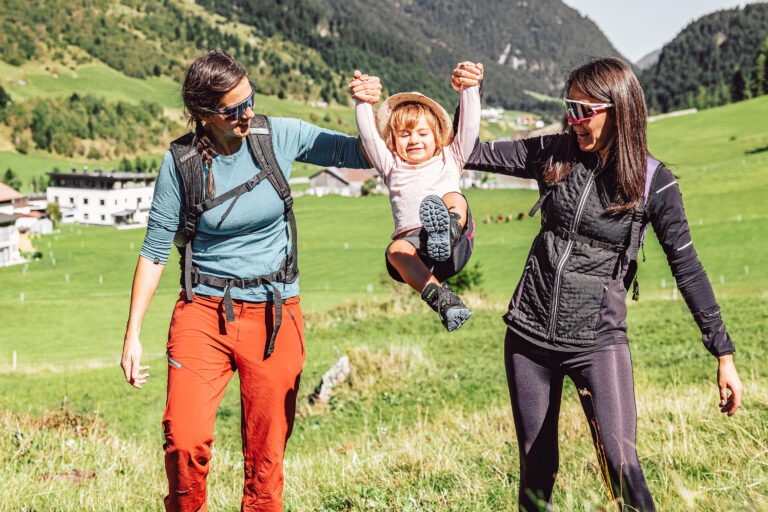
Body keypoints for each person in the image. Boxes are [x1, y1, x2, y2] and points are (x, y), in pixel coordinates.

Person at [452, 57, 743, 511]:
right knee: (536, 468)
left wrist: (722, 352)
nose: (575, 120)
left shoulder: (654, 183)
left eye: (585, 110)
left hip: (597, 342)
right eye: (570, 108)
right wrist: (470, 96)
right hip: (528, 336)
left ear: (619, 109)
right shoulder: (557, 153)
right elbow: (471, 152)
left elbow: (688, 268)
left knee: (621, 466)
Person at [120, 49, 381, 512]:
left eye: (251, 99)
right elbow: (155, 249)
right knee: (184, 442)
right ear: (204, 115)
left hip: (276, 312)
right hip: (203, 311)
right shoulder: (180, 162)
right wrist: (133, 335)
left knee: (266, 455)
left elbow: (358, 151)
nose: (248, 113)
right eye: (234, 109)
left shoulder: (276, 135)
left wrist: (368, 108)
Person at [349, 66, 482, 331]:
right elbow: (368, 135)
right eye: (404, 134)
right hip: (416, 249)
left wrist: (470, 87)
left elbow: (469, 126)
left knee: (455, 197)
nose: (414, 140)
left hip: (455, 246)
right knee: (395, 250)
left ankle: (447, 229)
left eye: (423, 133)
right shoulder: (391, 166)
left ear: (437, 137)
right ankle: (444, 301)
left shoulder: (451, 158)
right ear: (393, 140)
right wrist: (363, 102)